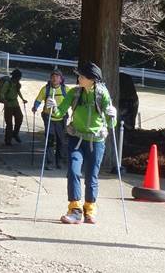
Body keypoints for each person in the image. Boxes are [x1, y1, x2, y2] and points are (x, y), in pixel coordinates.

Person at [51, 62, 116, 224]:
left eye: (81, 76)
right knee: (73, 171)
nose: (78, 78)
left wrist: (112, 115)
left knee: (91, 176)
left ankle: (90, 209)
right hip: (76, 139)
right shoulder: (74, 93)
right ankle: (74, 209)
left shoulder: (103, 95)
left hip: (97, 141)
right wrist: (52, 109)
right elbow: (59, 114)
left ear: (92, 79)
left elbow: (110, 124)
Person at [30, 69, 67, 168]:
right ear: (50, 78)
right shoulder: (45, 89)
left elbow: (71, 101)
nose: (55, 78)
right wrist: (35, 107)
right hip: (48, 117)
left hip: (61, 118)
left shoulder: (65, 90)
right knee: (49, 140)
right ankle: (50, 163)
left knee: (61, 141)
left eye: (57, 76)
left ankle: (59, 161)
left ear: (61, 79)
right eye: (53, 76)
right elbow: (38, 99)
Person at [0, 68, 26, 145]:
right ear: (16, 77)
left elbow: (18, 91)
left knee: (20, 118)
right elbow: (2, 92)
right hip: (8, 104)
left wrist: (23, 99)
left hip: (15, 103)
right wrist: (3, 99)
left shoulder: (17, 84)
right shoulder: (7, 83)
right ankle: (8, 140)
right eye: (19, 77)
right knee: (9, 124)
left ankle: (15, 134)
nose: (20, 79)